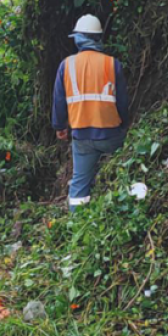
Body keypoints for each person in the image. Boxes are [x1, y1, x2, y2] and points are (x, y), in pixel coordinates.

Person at [51, 15, 130, 212]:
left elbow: (59, 101)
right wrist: (124, 127)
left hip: (82, 137)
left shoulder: (66, 65)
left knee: (79, 183)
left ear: (78, 38)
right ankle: (119, 211)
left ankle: (76, 222)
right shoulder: (112, 64)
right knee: (121, 173)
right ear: (98, 38)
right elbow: (122, 103)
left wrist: (60, 127)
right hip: (111, 135)